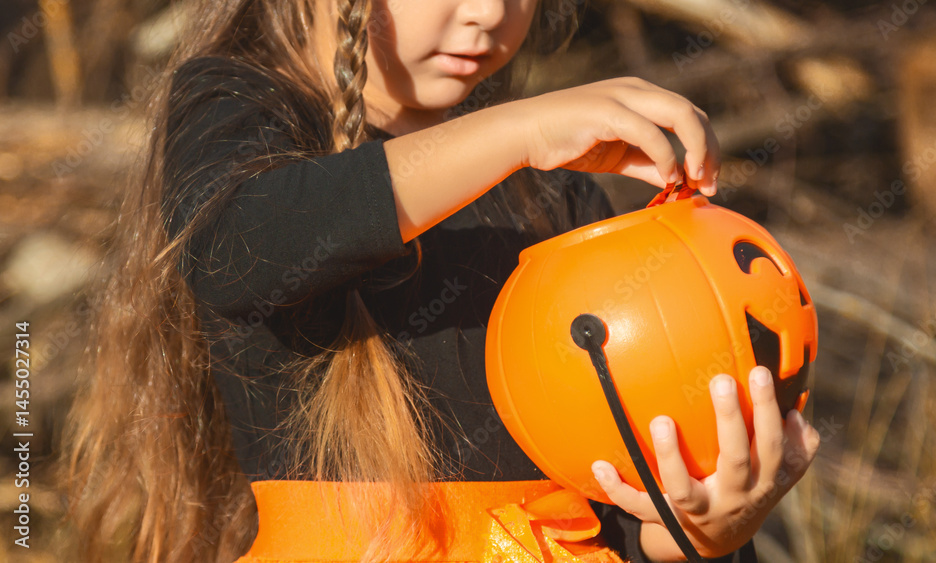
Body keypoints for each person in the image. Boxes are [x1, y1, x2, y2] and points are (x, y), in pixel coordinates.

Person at [63, 0, 820, 562]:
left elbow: (607, 497)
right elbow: (238, 249)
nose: (489, 13)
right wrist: (518, 130)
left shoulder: (552, 197)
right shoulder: (238, 105)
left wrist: (693, 533)